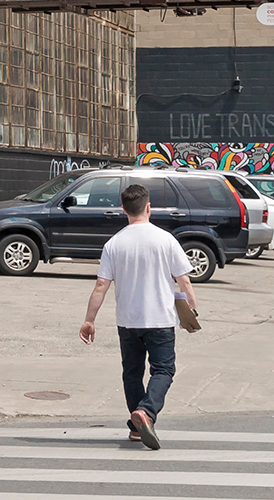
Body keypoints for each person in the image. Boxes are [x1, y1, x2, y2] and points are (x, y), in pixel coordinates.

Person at [78, 181, 199, 450]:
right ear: (148, 207)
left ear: (124, 209)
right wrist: (191, 314)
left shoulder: (114, 243)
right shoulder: (165, 239)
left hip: (128, 321)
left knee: (132, 373)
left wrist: (89, 320)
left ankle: (136, 428)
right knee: (164, 370)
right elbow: (185, 281)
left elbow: (101, 285)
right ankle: (146, 411)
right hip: (160, 319)